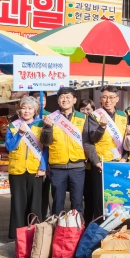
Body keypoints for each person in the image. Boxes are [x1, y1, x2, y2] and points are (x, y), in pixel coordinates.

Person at [83, 85, 128, 222]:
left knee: (118, 196)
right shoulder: (94, 116)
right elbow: (90, 141)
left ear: (117, 99)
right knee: (100, 198)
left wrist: (125, 157)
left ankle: (117, 226)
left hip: (119, 163)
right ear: (100, 99)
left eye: (111, 97)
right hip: (101, 164)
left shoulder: (123, 115)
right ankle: (100, 227)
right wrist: (96, 161)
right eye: (105, 97)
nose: (108, 100)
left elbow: (127, 139)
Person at [40, 87, 86, 215]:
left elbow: (88, 140)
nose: (65, 100)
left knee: (77, 202)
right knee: (58, 202)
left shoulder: (83, 118)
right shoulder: (50, 118)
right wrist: (48, 128)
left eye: (68, 97)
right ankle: (57, 232)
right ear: (58, 100)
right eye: (62, 97)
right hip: (57, 165)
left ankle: (76, 232)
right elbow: (45, 142)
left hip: (77, 165)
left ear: (74, 100)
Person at [6, 96, 47, 239]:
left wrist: (43, 167)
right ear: (19, 110)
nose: (26, 111)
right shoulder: (13, 126)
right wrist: (20, 133)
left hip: (34, 169)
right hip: (16, 169)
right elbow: (10, 146)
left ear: (35, 110)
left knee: (35, 203)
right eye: (24, 108)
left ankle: (35, 233)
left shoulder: (41, 125)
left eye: (30, 108)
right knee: (18, 203)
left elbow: (45, 149)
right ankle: (17, 234)